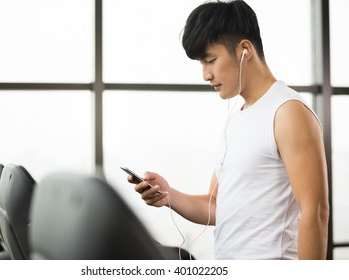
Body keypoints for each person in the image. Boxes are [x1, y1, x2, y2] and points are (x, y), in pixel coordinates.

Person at [126, 0, 329, 260]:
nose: (205, 75)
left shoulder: (288, 112)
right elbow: (216, 206)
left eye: (210, 60)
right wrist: (169, 195)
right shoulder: (236, 119)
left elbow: (316, 211)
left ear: (245, 49)